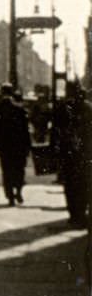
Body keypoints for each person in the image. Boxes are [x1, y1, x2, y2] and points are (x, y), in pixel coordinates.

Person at [0, 83, 31, 206]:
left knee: (6, 170)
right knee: (19, 169)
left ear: (1, 92)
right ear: (12, 92)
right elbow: (25, 129)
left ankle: (10, 197)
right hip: (19, 145)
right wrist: (27, 145)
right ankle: (18, 191)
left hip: (4, 145)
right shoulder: (20, 109)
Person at [57, 82, 90, 228]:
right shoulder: (89, 109)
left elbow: (57, 131)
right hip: (84, 155)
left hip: (69, 154)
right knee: (83, 186)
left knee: (70, 186)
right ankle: (81, 214)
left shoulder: (64, 108)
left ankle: (73, 215)